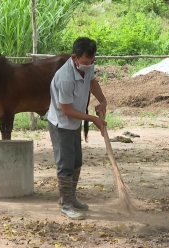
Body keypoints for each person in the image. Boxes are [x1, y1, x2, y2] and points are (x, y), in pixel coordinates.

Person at [47, 37, 107, 220]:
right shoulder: (65, 77)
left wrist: (103, 100)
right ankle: (66, 205)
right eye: (86, 62)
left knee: (76, 161)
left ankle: (70, 197)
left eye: (92, 61)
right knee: (65, 164)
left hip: (75, 121)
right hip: (62, 124)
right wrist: (92, 119)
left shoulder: (86, 67)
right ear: (75, 58)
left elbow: (92, 82)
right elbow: (66, 110)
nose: (90, 65)